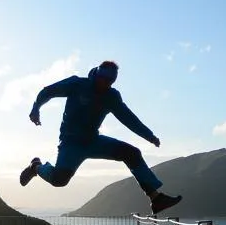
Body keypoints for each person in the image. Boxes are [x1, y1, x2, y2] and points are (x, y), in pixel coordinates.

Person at [19, 60, 183, 215]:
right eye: (103, 79)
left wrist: (149, 136)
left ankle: (156, 198)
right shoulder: (77, 84)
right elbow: (48, 91)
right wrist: (36, 108)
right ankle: (36, 167)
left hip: (93, 141)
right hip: (71, 143)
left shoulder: (111, 96)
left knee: (132, 153)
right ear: (97, 74)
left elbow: (128, 118)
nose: (105, 84)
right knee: (59, 180)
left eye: (110, 81)